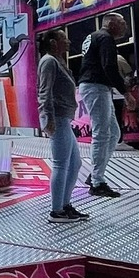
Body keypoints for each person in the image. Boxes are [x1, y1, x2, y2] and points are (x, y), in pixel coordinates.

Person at [78, 12, 128, 198]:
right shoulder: (106, 38)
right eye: (122, 22)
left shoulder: (93, 37)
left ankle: (96, 174)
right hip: (96, 86)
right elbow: (109, 66)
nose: (125, 26)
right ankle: (97, 182)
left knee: (113, 133)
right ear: (112, 23)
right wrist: (125, 92)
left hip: (96, 87)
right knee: (101, 134)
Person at [38, 29, 86, 221]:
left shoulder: (57, 61)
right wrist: (48, 118)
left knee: (74, 163)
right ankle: (56, 210)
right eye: (63, 39)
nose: (68, 42)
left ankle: (65, 205)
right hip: (57, 118)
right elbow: (45, 91)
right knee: (61, 164)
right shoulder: (49, 61)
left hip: (63, 118)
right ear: (53, 43)